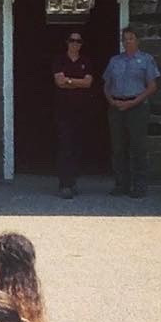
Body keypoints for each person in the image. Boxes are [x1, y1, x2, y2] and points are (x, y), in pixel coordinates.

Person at [102, 27, 161, 198]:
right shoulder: (114, 61)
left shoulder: (146, 60)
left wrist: (134, 102)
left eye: (130, 38)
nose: (127, 41)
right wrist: (111, 100)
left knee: (138, 147)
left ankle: (139, 185)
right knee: (118, 147)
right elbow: (106, 84)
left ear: (137, 40)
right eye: (124, 39)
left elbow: (152, 86)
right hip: (116, 106)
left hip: (137, 107)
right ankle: (121, 184)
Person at [51, 31, 95, 200]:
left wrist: (69, 81)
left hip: (82, 110)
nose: (75, 43)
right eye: (72, 40)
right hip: (63, 111)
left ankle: (73, 180)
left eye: (78, 41)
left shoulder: (86, 61)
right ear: (67, 42)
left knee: (77, 146)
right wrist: (78, 82)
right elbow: (59, 82)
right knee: (65, 146)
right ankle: (64, 184)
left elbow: (89, 82)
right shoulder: (59, 60)